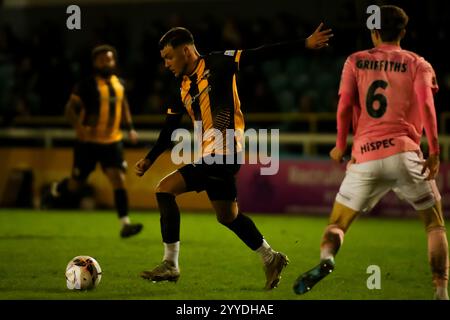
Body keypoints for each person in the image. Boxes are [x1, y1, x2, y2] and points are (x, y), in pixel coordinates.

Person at [134, 25, 333, 289]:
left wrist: (304, 43)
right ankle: (271, 257)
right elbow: (170, 128)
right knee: (228, 216)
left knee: (164, 190)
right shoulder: (181, 86)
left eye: (169, 57)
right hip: (211, 155)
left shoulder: (219, 63)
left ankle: (171, 263)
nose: (167, 64)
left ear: (185, 50)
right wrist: (150, 158)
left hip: (225, 151)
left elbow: (261, 53)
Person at [293, 5, 449, 300]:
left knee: (338, 224)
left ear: (374, 32)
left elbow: (344, 106)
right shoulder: (418, 63)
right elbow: (428, 107)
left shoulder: (356, 61)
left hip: (365, 154)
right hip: (405, 152)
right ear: (403, 32)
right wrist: (435, 151)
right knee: (434, 224)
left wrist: (342, 146)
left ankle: (327, 260)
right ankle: (441, 290)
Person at [46, 44, 143, 239]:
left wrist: (130, 128)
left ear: (114, 61)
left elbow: (124, 105)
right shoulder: (86, 85)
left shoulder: (120, 84)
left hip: (112, 142)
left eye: (109, 59)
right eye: (101, 60)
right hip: (87, 144)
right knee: (75, 186)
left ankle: (125, 224)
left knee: (118, 178)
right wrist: (80, 128)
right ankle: (58, 188)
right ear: (95, 63)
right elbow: (69, 109)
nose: (106, 62)